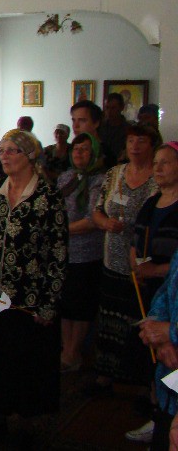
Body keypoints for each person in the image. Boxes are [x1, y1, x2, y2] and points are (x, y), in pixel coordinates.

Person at [0, 129, 67, 445]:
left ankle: (26, 424)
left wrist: (49, 303)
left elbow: (58, 253)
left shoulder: (47, 197)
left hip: (30, 297)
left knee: (27, 362)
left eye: (12, 151)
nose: (4, 156)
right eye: (2, 150)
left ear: (30, 156)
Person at [88, 124, 161, 397]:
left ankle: (142, 383)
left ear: (152, 146)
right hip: (112, 259)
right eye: (130, 141)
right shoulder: (115, 173)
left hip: (142, 262)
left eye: (141, 141)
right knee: (109, 319)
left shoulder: (158, 178)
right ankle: (105, 375)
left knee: (138, 320)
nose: (134, 146)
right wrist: (105, 222)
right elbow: (97, 210)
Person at [127, 141, 178, 446]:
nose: (158, 168)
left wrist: (170, 333)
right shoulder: (151, 203)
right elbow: (171, 282)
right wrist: (158, 329)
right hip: (156, 301)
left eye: (165, 163)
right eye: (155, 163)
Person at [57, 133, 105, 372]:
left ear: (94, 153)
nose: (79, 153)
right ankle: (66, 348)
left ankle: (74, 351)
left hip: (86, 253)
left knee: (81, 306)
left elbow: (92, 220)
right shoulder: (66, 177)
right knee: (65, 304)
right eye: (76, 149)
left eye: (85, 149)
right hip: (63, 252)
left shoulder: (100, 180)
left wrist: (62, 229)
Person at [71, 99, 119, 170]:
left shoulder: (106, 154)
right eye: (74, 120)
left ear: (96, 123)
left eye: (82, 120)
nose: (75, 126)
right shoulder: (71, 150)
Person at [99, 92, 132, 164]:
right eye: (107, 108)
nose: (109, 111)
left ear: (121, 108)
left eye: (113, 108)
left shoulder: (129, 129)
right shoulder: (100, 128)